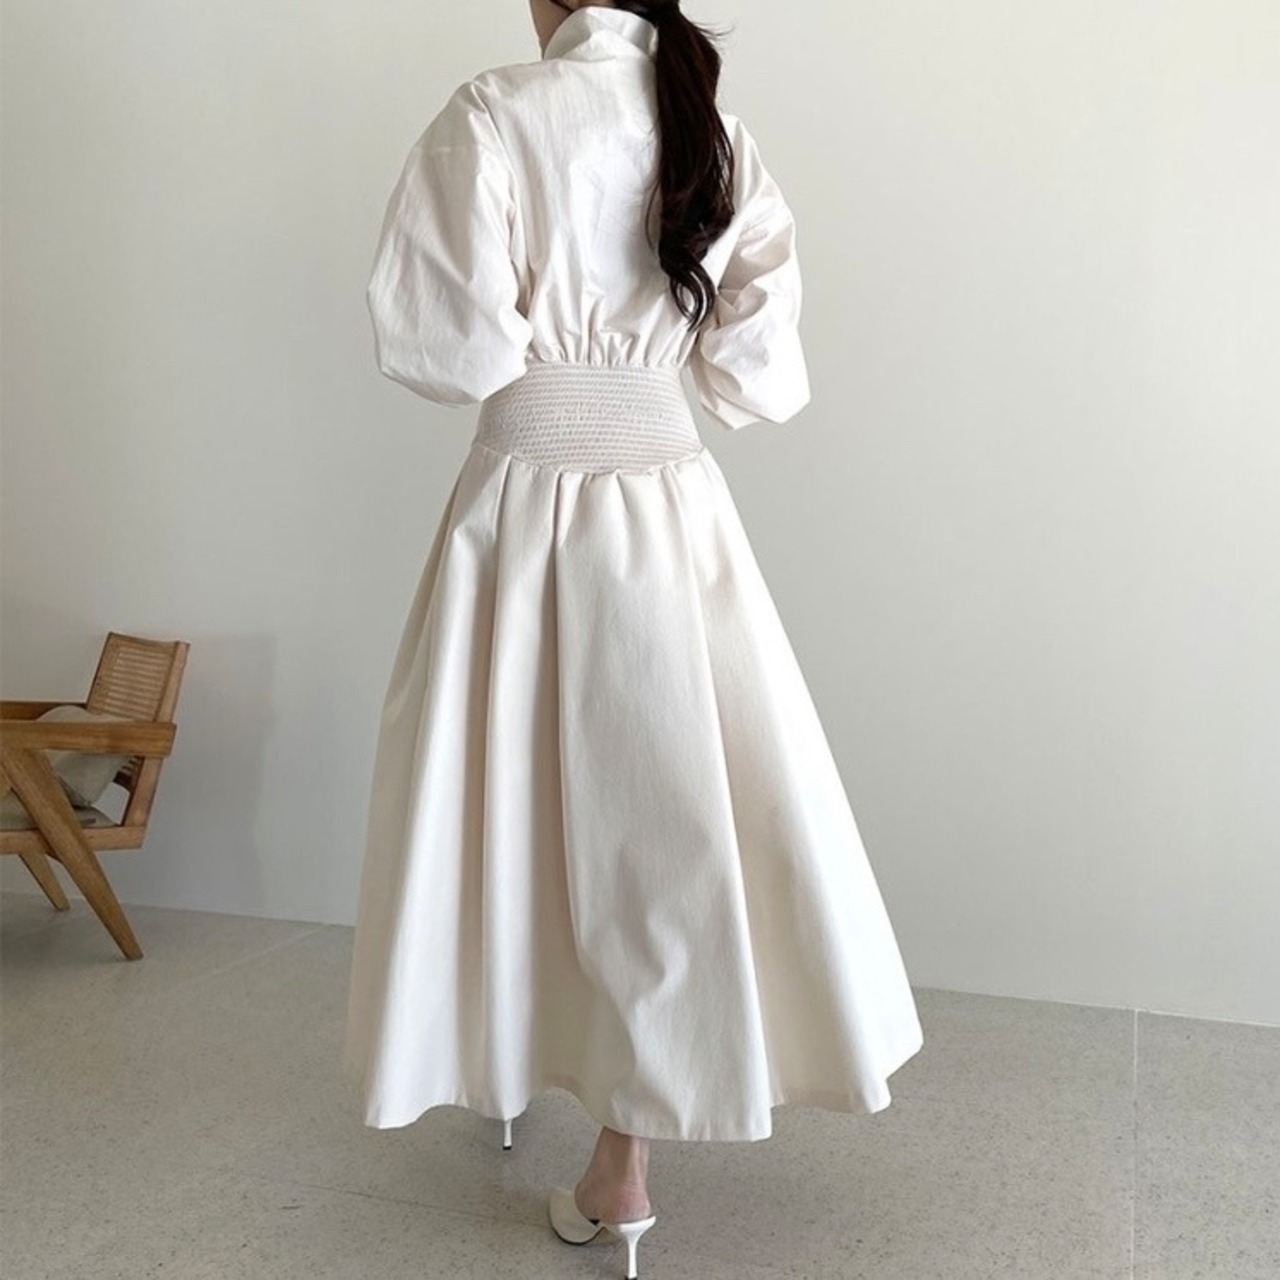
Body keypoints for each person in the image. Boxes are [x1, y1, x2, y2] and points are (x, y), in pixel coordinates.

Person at [341, 2, 924, 1275]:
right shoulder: (710, 129)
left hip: (519, 508)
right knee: (663, 816)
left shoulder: (492, 113)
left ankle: (507, 1065)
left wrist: (544, 349)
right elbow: (757, 372)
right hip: (665, 506)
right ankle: (623, 1163)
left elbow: (443, 342)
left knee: (499, 799)